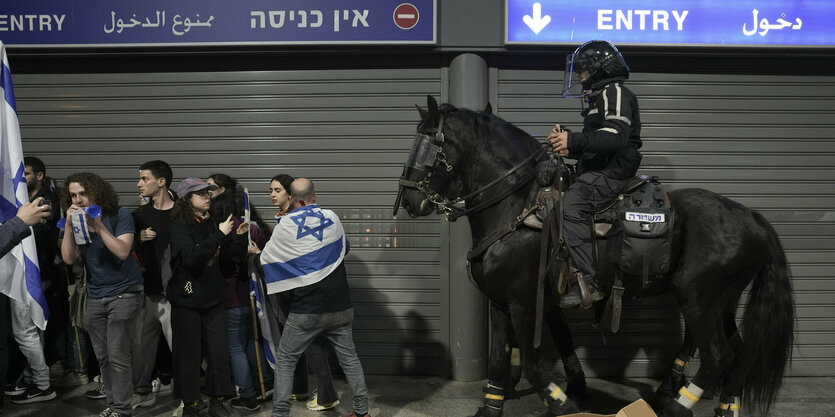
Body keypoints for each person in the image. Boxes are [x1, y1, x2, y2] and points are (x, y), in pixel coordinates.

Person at [255, 178, 370, 417]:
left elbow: (267, 261)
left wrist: (257, 253)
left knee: (286, 361)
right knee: (350, 358)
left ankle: (280, 414)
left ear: (293, 200)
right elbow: (343, 248)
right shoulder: (332, 218)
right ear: (313, 197)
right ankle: (362, 412)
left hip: (306, 310)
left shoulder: (285, 226)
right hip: (341, 306)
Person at [547, 40, 642, 309]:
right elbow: (596, 143)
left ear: (601, 69)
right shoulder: (601, 96)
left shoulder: (615, 92)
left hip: (612, 172)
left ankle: (589, 283)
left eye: (583, 69)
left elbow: (616, 137)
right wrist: (566, 143)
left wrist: (574, 141)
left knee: (570, 206)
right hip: (601, 167)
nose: (578, 75)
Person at [60, 172, 144, 417]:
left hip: (124, 293)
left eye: (83, 193)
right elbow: (68, 258)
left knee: (117, 355)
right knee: (103, 357)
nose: (78, 199)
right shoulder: (75, 220)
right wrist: (67, 225)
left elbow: (122, 251)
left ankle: (122, 408)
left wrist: (96, 225)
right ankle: (112, 402)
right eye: (73, 195)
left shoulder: (120, 214)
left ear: (96, 192)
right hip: (95, 295)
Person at [168, 177, 245, 417]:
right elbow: (191, 257)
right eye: (200, 194)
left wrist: (238, 238)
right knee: (188, 353)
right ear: (186, 199)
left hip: (213, 295)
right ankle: (191, 402)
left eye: (208, 193)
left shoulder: (212, 222)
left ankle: (218, 399)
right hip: (188, 293)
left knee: (218, 351)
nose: (206, 197)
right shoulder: (180, 225)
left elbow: (227, 261)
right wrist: (220, 236)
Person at [267, 173, 340, 411]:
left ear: (292, 196)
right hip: (295, 291)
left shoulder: (295, 220)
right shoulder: (286, 218)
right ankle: (307, 390)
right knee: (308, 345)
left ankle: (326, 394)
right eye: (271, 190)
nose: (272, 196)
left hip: (303, 294)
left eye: (277, 191)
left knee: (310, 345)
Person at [130, 160, 176, 409]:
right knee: (141, 348)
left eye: (144, 179)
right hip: (147, 293)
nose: (139, 184)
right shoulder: (139, 215)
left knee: (180, 347)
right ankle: (142, 392)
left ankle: (188, 396)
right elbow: (126, 248)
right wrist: (139, 238)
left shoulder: (181, 213)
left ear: (161, 182)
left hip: (175, 295)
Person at [0, 196, 52, 411]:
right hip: (15, 281)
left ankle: (40, 382)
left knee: (26, 332)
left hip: (25, 281)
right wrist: (19, 222)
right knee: (25, 333)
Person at [23, 157, 69, 376]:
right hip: (25, 272)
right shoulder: (23, 200)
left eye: (27, 174)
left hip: (42, 271)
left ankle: (41, 373)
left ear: (39, 176)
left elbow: (43, 236)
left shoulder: (47, 201)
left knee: (36, 322)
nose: (22, 178)